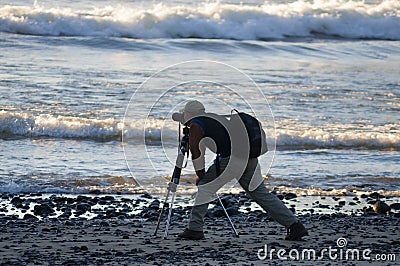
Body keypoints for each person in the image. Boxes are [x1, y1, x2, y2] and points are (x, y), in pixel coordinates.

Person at [175, 100, 308, 240]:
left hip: (232, 160)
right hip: (249, 157)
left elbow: (196, 151)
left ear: (188, 114)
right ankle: (295, 226)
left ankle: (194, 229)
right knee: (260, 193)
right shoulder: (213, 118)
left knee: (205, 188)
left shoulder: (196, 124)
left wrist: (201, 174)